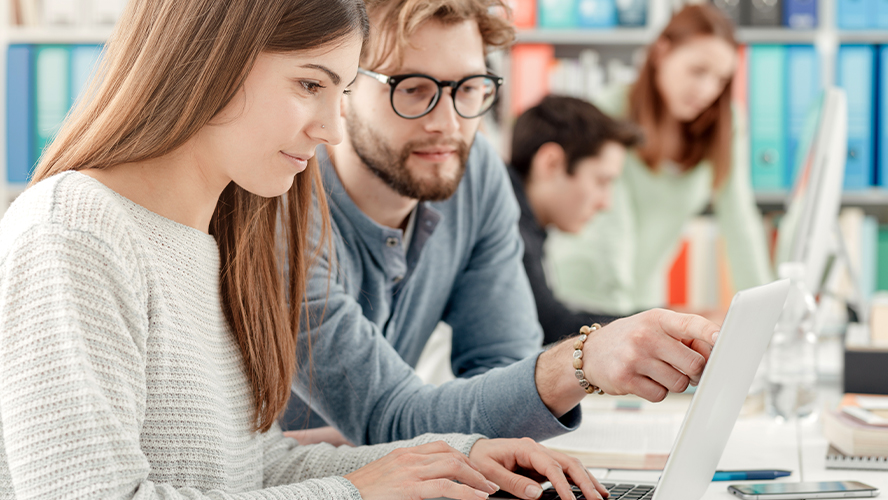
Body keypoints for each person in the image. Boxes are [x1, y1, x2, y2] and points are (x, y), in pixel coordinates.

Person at [0, 1, 610, 499]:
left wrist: (454, 456)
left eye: (339, 91)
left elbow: (255, 469)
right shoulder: (77, 229)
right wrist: (357, 493)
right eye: (310, 84)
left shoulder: (214, 238)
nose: (332, 129)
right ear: (207, 64)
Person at [282, 0, 721, 449]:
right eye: (412, 89)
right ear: (342, 88)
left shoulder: (474, 173)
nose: (448, 124)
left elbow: (505, 373)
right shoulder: (284, 204)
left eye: (469, 88)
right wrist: (584, 360)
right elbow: (390, 416)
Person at [545, 4, 773, 318]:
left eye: (720, 80)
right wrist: (625, 321)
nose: (706, 90)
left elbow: (740, 218)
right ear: (662, 53)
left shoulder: (726, 125)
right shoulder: (610, 110)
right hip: (586, 294)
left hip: (643, 299)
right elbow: (611, 226)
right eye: (698, 71)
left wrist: (766, 314)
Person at [508, 95, 642, 345]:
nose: (606, 203)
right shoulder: (505, 225)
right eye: (601, 181)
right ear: (551, 163)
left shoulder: (524, 220)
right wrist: (662, 323)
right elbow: (547, 324)